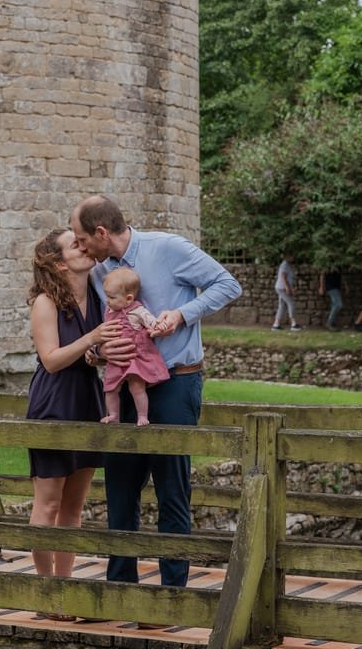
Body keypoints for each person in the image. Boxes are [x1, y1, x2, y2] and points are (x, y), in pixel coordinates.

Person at [70, 195, 241, 591]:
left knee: (171, 489)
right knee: (120, 490)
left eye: (81, 239)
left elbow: (228, 284)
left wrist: (182, 315)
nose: (79, 247)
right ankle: (120, 591)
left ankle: (171, 594)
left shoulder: (168, 248)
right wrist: (98, 351)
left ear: (100, 232)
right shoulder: (99, 274)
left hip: (176, 383)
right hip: (123, 389)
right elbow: (102, 331)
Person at [25, 227, 121, 609]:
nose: (84, 247)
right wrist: (93, 336)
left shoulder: (97, 298)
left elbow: (91, 355)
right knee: (48, 503)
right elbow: (50, 360)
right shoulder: (46, 302)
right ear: (60, 263)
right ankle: (46, 592)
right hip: (53, 401)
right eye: (74, 244)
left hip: (87, 399)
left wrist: (100, 354)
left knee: (74, 506)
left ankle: (66, 589)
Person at [100, 266, 170, 426]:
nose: (107, 300)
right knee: (110, 388)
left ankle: (142, 416)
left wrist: (158, 325)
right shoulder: (109, 310)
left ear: (129, 298)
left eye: (111, 297)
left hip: (135, 357)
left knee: (137, 387)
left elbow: (151, 322)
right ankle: (113, 415)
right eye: (106, 295)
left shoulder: (137, 311)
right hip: (116, 358)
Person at [272, 253, 301, 330]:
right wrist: (288, 288)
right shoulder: (285, 264)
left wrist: (290, 288)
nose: (293, 258)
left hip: (281, 287)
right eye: (292, 256)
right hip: (282, 288)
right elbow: (283, 277)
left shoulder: (288, 265)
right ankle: (293, 324)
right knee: (291, 303)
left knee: (282, 305)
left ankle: (276, 325)